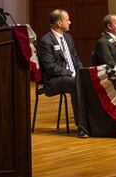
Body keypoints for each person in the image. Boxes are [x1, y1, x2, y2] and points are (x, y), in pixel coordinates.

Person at [37, 9, 87, 138]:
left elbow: (75, 58)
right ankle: (82, 127)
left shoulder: (68, 38)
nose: (70, 22)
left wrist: (81, 72)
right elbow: (50, 67)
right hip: (53, 81)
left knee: (88, 80)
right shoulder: (46, 41)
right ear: (59, 23)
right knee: (76, 83)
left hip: (70, 76)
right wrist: (70, 73)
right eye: (67, 20)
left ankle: (93, 123)